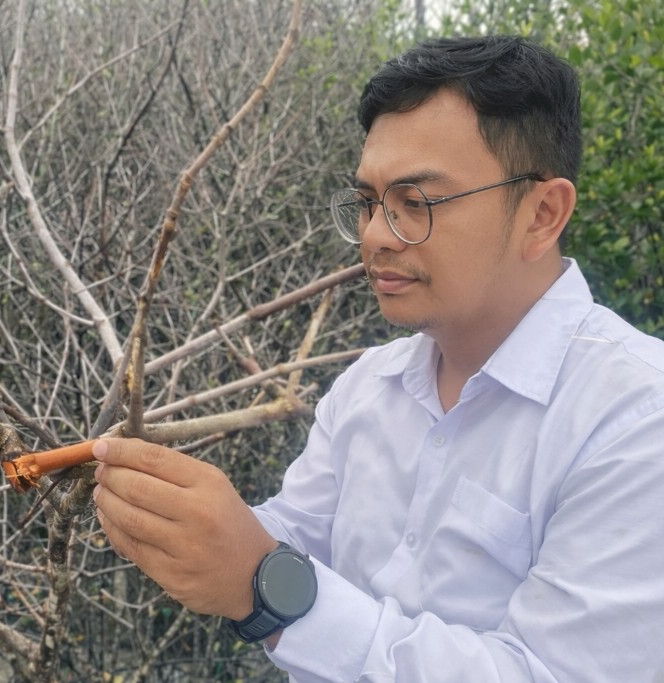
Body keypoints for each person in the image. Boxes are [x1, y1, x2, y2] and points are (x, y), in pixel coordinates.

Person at [91, 35, 664, 682]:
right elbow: (289, 536)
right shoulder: (368, 388)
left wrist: (269, 591)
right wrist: (177, 518)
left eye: (415, 204)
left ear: (542, 213)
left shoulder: (635, 419)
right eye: (368, 203)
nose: (373, 237)